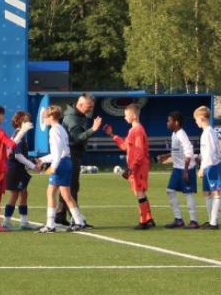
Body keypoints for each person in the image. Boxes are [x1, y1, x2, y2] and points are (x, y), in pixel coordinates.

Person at [38, 105, 89, 232]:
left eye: (45, 117)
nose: (44, 120)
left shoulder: (54, 130)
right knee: (65, 194)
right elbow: (59, 151)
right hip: (65, 161)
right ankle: (78, 221)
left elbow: (58, 151)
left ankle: (51, 224)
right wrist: (43, 160)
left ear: (51, 117)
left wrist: (54, 166)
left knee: (53, 193)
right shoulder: (60, 128)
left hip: (61, 163)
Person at [55, 93, 102, 227]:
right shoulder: (72, 119)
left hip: (72, 155)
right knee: (72, 187)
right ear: (80, 105)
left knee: (66, 186)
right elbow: (78, 138)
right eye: (89, 107)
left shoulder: (78, 116)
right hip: (71, 155)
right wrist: (93, 129)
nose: (90, 109)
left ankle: (60, 215)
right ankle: (75, 218)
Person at [108, 102, 155, 230]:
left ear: (133, 116)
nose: (125, 118)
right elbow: (125, 146)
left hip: (139, 166)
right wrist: (113, 135)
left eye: (126, 115)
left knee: (139, 192)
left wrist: (132, 168)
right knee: (139, 192)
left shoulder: (137, 130)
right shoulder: (133, 130)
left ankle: (143, 221)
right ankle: (149, 218)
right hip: (137, 166)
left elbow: (139, 152)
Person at [160, 111, 196, 229]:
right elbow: (177, 150)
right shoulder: (174, 134)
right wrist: (168, 155)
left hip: (186, 168)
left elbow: (189, 151)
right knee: (170, 190)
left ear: (176, 122)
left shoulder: (181, 134)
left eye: (169, 120)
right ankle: (178, 219)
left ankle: (193, 221)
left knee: (188, 194)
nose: (167, 123)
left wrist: (186, 171)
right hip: (177, 168)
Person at [5, 110, 38, 230]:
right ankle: (6, 222)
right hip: (14, 169)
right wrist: (33, 166)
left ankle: (24, 222)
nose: (28, 122)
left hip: (19, 169)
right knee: (14, 195)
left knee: (24, 193)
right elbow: (17, 155)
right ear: (19, 121)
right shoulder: (18, 134)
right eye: (26, 120)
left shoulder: (20, 135)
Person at [194, 105, 221, 230]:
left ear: (201, 118)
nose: (196, 122)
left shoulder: (209, 133)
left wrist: (202, 167)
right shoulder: (206, 133)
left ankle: (214, 222)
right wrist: (200, 158)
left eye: (196, 119)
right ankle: (210, 219)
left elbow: (211, 152)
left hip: (212, 166)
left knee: (215, 191)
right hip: (208, 165)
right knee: (206, 192)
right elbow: (207, 152)